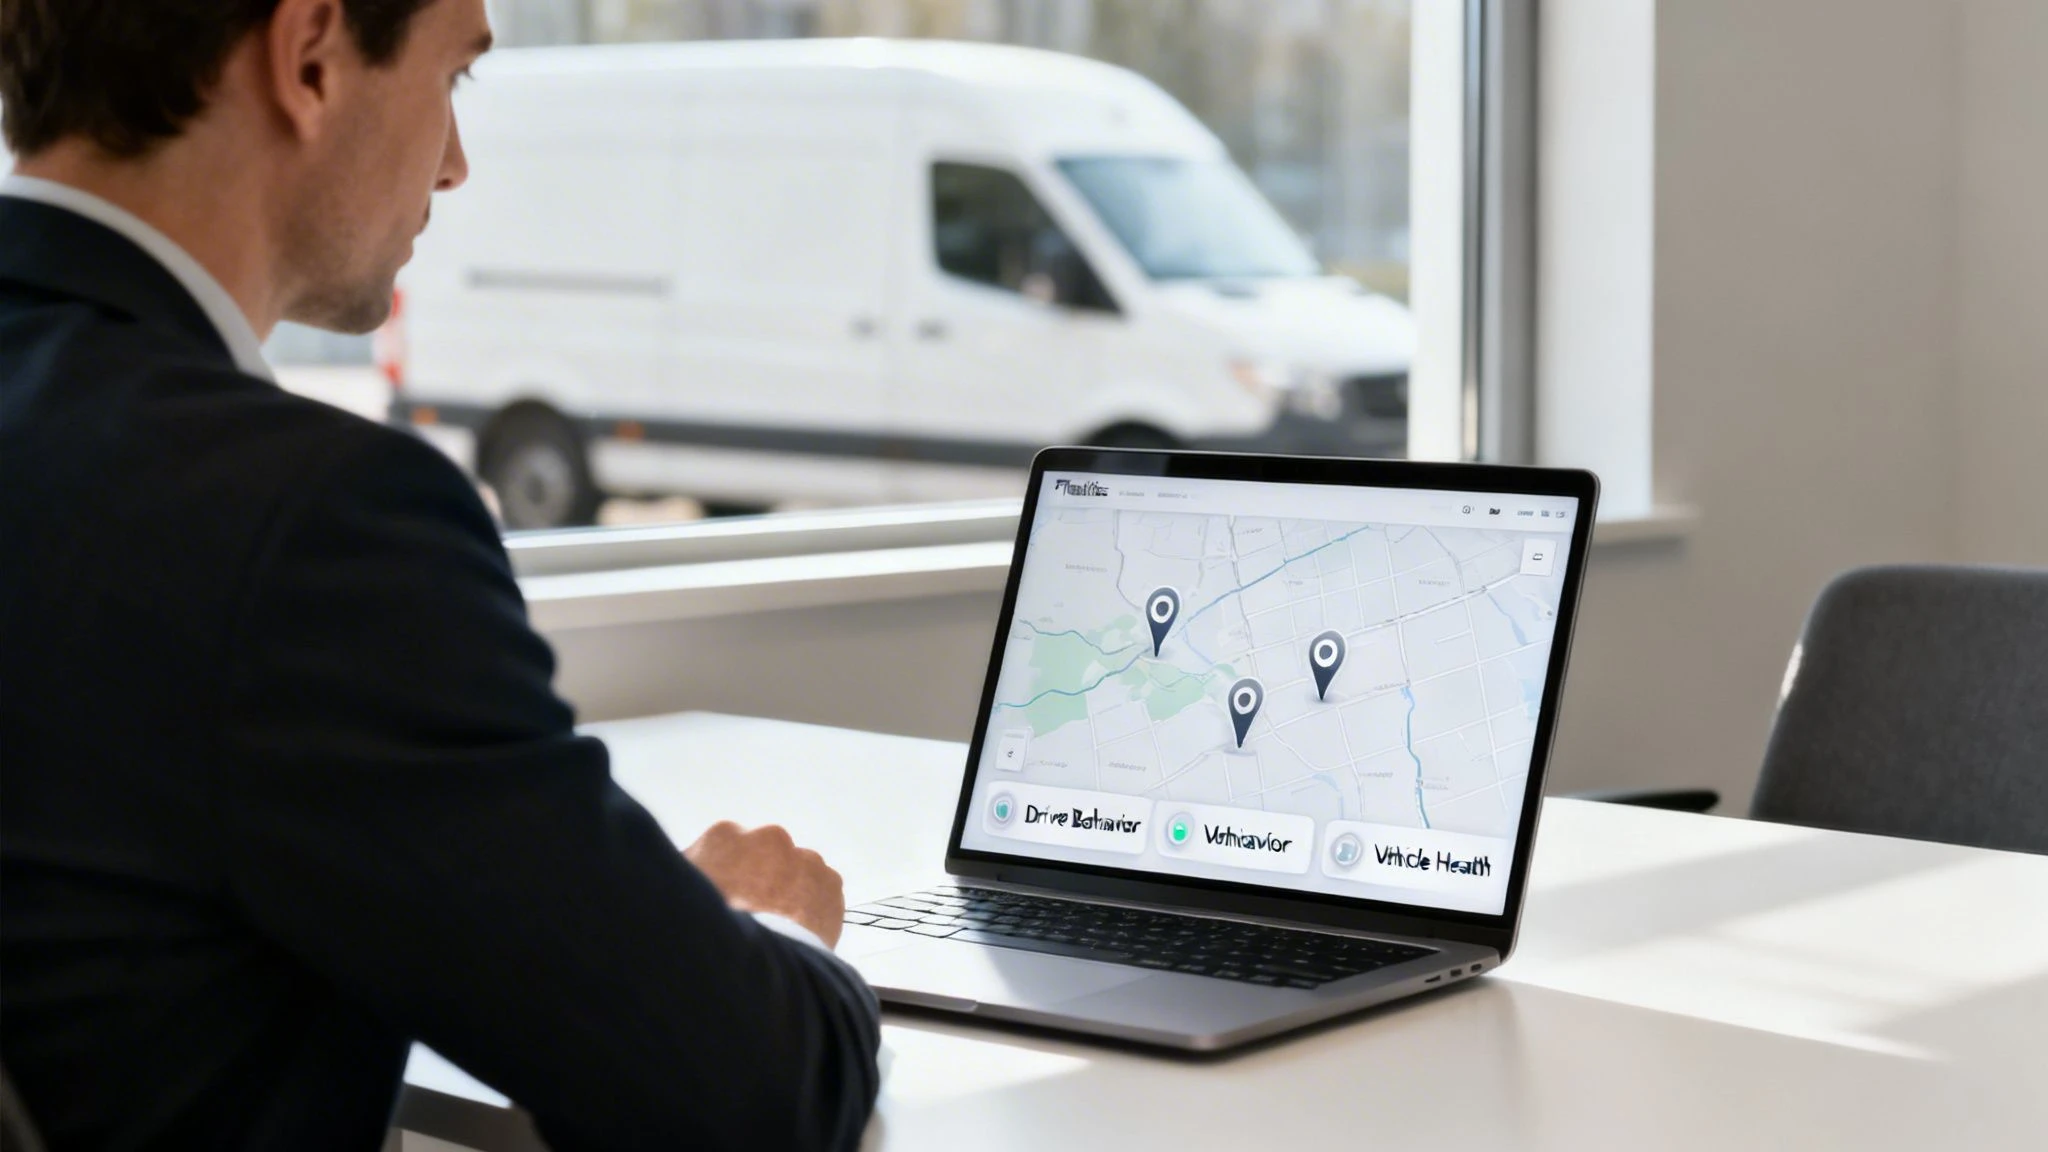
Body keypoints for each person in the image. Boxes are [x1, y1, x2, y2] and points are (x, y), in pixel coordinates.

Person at [0, 1, 881, 1147]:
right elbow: (749, 1094)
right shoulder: (309, 529)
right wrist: (765, 936)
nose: (457, 165)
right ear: (310, 56)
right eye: (453, 77)